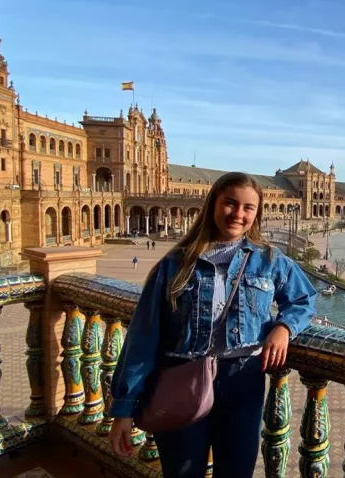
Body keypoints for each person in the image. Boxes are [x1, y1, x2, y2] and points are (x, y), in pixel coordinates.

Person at [107, 172, 317, 477]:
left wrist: (284, 327)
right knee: (181, 472)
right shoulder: (175, 264)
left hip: (243, 380)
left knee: (237, 471)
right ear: (213, 204)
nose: (238, 214)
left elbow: (304, 298)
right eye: (230, 203)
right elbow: (143, 337)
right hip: (182, 376)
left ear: (257, 214)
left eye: (248, 208)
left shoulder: (270, 260)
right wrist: (123, 409)